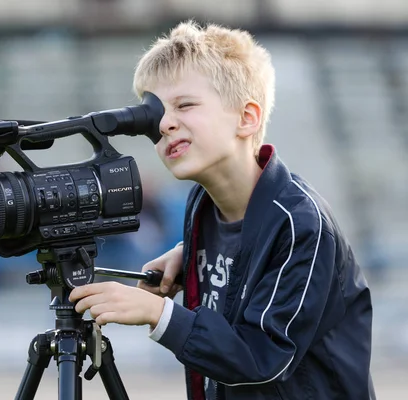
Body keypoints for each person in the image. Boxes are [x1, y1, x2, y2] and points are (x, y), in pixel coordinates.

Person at [69, 20, 376, 399]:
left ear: (247, 118)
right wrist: (190, 250)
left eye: (185, 105)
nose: (164, 123)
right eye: (156, 113)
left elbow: (263, 358)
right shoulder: (204, 204)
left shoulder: (301, 225)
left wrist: (158, 313)